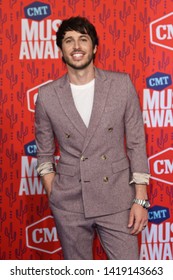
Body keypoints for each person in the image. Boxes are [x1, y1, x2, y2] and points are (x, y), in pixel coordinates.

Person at [35, 16, 150, 260]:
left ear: (94, 47)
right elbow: (44, 153)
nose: (76, 46)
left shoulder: (121, 85)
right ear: (61, 51)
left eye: (83, 39)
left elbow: (137, 144)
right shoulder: (47, 96)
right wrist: (53, 191)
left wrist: (140, 199)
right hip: (69, 202)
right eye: (69, 40)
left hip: (118, 199)